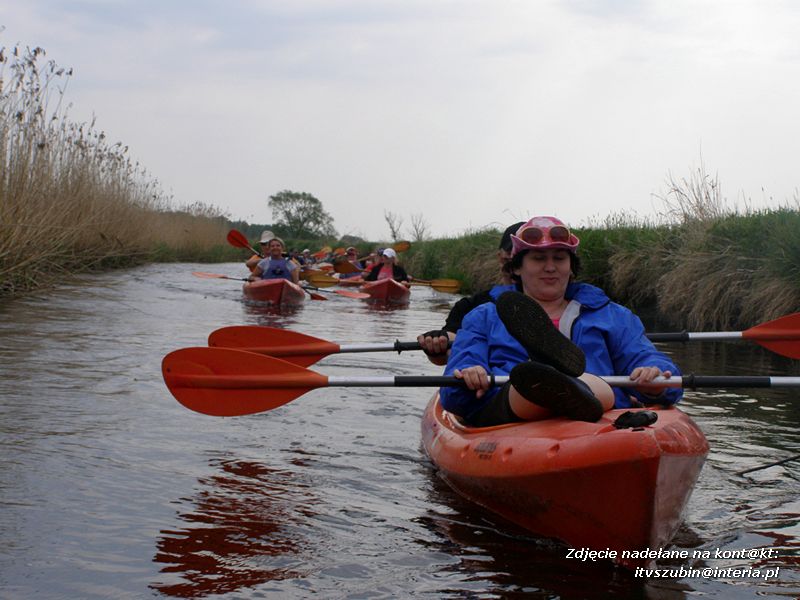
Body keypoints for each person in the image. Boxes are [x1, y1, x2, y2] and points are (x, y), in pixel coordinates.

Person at [440, 215, 682, 426]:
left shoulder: (612, 315)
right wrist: (471, 372)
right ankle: (555, 383)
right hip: (511, 413)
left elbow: (644, 356)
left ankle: (569, 387)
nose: (550, 267)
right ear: (516, 268)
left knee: (593, 387)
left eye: (559, 258)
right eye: (538, 258)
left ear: (571, 267)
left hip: (602, 419)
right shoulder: (484, 316)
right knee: (529, 386)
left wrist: (655, 375)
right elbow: (454, 392)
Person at [417, 221, 524, 365]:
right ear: (500, 257)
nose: (514, 266)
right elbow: (448, 351)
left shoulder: (560, 304)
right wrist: (438, 342)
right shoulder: (471, 306)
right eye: (510, 258)